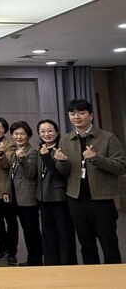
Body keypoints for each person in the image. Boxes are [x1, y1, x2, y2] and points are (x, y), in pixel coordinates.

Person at [55, 98, 126, 264]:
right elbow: (63, 171)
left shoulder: (107, 138)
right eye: (72, 113)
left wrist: (97, 159)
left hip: (101, 200)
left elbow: (121, 166)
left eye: (81, 112)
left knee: (109, 244)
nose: (76, 116)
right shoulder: (65, 140)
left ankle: (114, 280)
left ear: (91, 115)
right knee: (86, 245)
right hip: (76, 199)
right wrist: (61, 162)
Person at [36, 119, 77, 265]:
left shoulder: (62, 148)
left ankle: (67, 265)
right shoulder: (40, 149)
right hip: (43, 198)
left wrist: (47, 157)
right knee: (48, 235)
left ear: (57, 132)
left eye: (50, 130)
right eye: (43, 131)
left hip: (59, 198)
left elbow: (60, 173)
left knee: (64, 234)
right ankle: (51, 265)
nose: (46, 134)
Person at [3, 121, 43, 266]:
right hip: (16, 197)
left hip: (28, 197)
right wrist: (7, 190)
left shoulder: (32, 151)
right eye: (16, 134)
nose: (19, 137)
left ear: (28, 135)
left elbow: (31, 173)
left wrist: (22, 159)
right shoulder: (16, 151)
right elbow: (11, 174)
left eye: (22, 134)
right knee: (26, 230)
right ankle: (32, 258)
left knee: (31, 231)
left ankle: (36, 259)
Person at [0, 117, 19, 265]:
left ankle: (12, 252)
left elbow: (7, 165)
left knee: (11, 223)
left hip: (5, 190)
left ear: (5, 129)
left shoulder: (10, 145)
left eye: (1, 127)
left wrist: (0, 154)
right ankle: (1, 249)